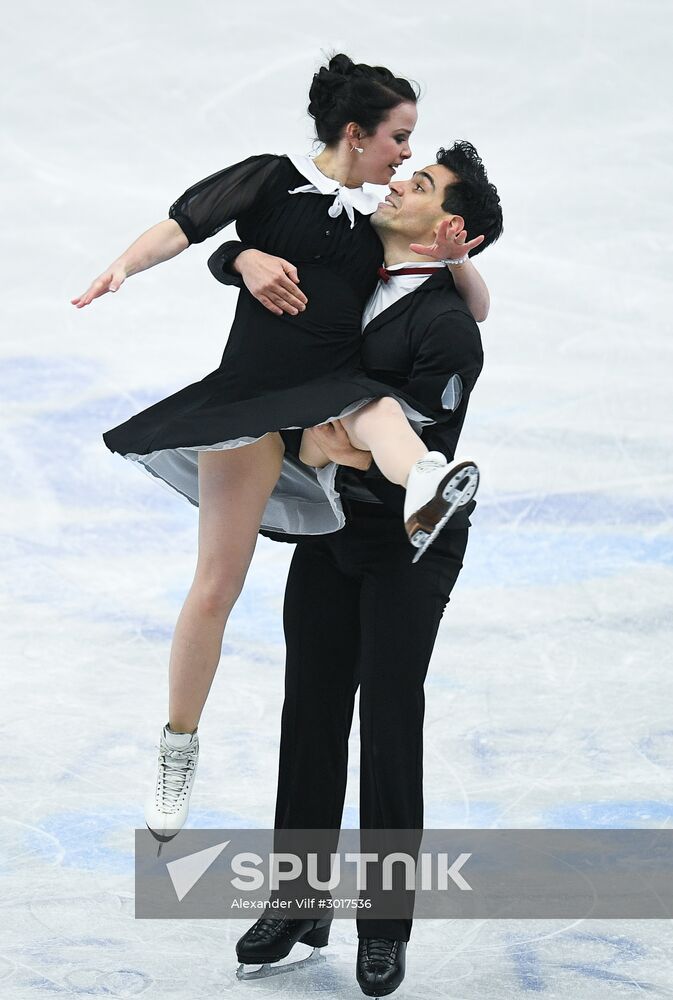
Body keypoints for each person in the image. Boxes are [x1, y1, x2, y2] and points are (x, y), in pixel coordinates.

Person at [70, 54, 491, 843]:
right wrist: (205, 259)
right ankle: (177, 747)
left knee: (374, 410)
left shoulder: (378, 223)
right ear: (355, 133)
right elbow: (187, 223)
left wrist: (459, 252)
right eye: (399, 138)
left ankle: (430, 485)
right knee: (215, 586)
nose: (405, 154)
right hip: (248, 402)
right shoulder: (270, 182)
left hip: (326, 392)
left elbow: (468, 297)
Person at [219, 140, 503, 996]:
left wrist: (316, 436)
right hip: (328, 529)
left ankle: (384, 927)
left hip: (408, 543)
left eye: (417, 185)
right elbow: (240, 254)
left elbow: (403, 448)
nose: (394, 186)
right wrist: (238, 253)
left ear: (446, 226)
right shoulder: (346, 273)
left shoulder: (445, 324)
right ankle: (298, 899)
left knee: (385, 722)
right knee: (308, 712)